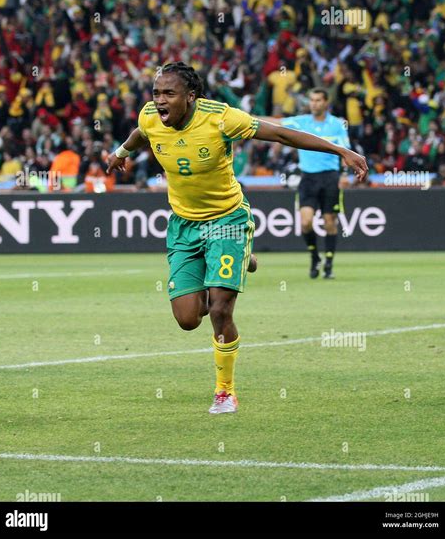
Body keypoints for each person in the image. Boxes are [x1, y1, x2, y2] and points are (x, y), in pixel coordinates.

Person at [106, 63, 367, 414]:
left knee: (220, 308)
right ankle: (244, 259)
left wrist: (341, 151)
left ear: (191, 96)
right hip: (184, 224)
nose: (160, 101)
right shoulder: (151, 117)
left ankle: (225, 391)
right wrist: (121, 153)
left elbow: (282, 134)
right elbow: (141, 133)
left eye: (169, 93)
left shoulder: (222, 118)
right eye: (156, 93)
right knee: (187, 319)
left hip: (228, 220)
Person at [261, 88, 351, 279]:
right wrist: (245, 117)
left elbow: (345, 149)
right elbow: (276, 123)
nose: (314, 103)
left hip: (330, 177)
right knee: (305, 222)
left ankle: (329, 264)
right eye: (312, 100)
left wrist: (344, 173)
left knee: (329, 222)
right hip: (308, 177)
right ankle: (314, 257)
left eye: (318, 100)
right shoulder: (302, 121)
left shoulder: (337, 124)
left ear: (326, 102)